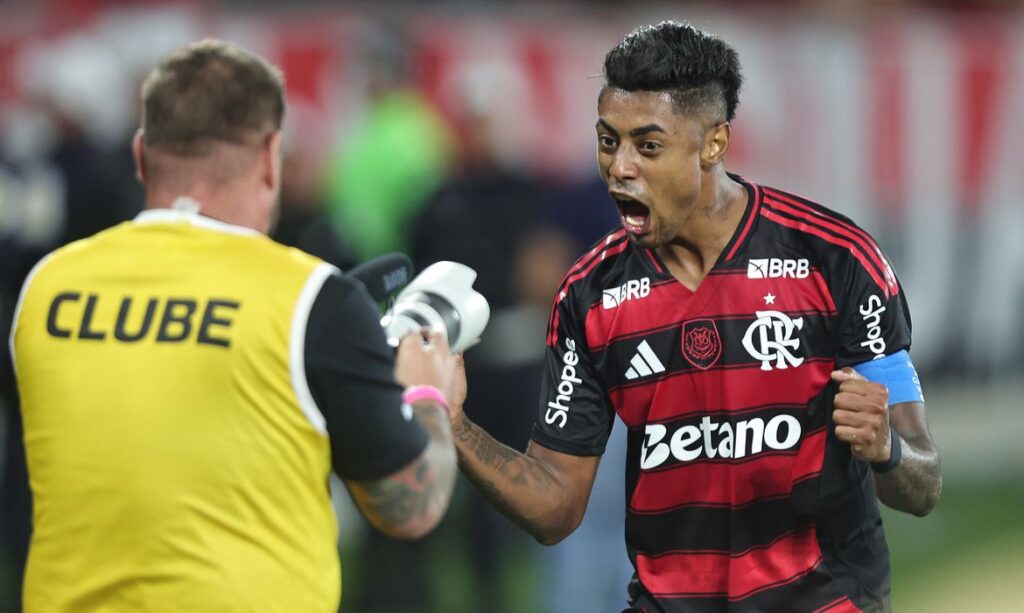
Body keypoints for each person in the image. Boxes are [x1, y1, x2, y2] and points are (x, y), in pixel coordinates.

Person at [449, 21, 942, 612]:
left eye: (647, 146)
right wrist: (451, 424)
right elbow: (555, 507)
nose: (619, 167)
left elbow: (923, 483)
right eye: (608, 141)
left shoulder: (837, 261)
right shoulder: (590, 297)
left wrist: (887, 448)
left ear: (713, 144)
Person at [9, 39, 459, 613]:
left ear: (142, 155)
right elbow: (410, 506)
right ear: (271, 155)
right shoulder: (310, 299)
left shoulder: (46, 287)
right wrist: (427, 394)